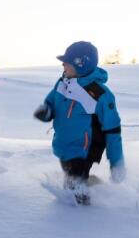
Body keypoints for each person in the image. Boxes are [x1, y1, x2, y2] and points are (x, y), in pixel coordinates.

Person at [34, 41, 126, 205]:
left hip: (85, 148)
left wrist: (116, 163)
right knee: (71, 180)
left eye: (67, 61)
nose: (63, 64)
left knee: (75, 188)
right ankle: (93, 185)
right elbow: (51, 102)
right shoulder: (62, 83)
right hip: (65, 145)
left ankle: (84, 217)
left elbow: (113, 130)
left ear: (81, 64)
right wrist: (46, 111)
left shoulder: (99, 93)